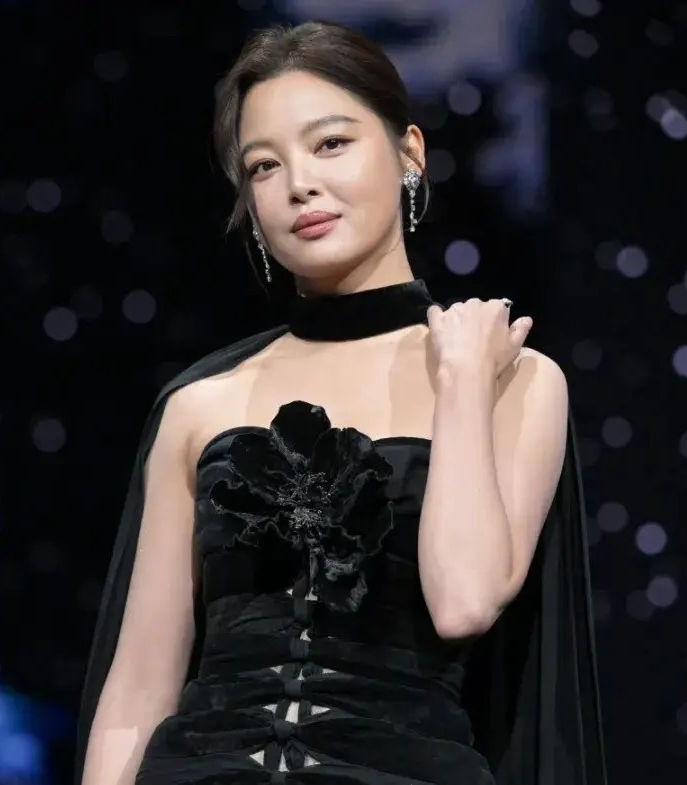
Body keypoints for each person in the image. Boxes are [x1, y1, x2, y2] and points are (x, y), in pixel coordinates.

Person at [74, 20, 607, 785]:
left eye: (330, 144)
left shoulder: (509, 377)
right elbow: (137, 688)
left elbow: (463, 601)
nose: (298, 183)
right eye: (263, 165)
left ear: (409, 152)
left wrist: (460, 384)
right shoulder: (199, 404)